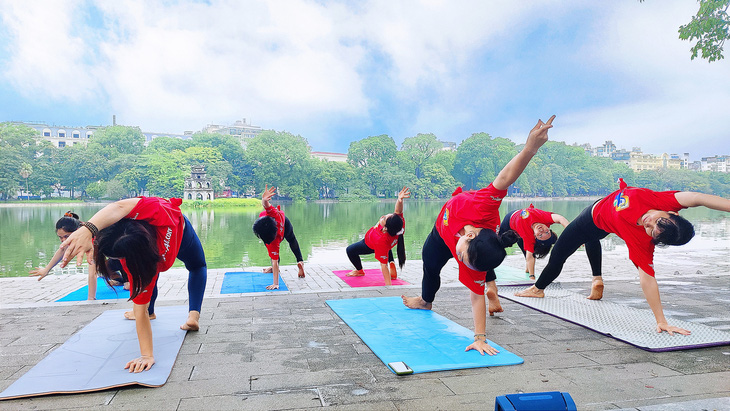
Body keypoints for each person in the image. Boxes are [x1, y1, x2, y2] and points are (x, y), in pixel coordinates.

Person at [402, 115, 555, 355]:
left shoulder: (473, 261)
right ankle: (425, 301)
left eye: (462, 260)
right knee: (429, 264)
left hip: (472, 246)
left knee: (478, 276)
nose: (459, 259)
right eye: (461, 257)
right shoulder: (484, 207)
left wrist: (480, 338)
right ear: (470, 237)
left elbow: (475, 297)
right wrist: (530, 148)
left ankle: (484, 287)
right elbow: (506, 178)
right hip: (441, 234)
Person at [515, 178, 730, 336]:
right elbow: (698, 198)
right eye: (658, 221)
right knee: (591, 240)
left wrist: (661, 321)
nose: (649, 223)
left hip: (590, 219)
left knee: (558, 255)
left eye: (653, 231)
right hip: (600, 222)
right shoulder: (664, 201)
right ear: (673, 213)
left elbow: (648, 279)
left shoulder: (642, 242)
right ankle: (596, 279)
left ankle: (538, 289)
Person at [59, 197, 207, 373]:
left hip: (178, 237)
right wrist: (88, 229)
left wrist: (147, 355)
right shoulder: (154, 211)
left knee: (184, 271)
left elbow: (139, 312)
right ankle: (193, 316)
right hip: (178, 230)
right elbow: (119, 206)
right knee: (197, 266)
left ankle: (158, 312)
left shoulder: (141, 267)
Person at [29, 211, 127, 300]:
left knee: (128, 287)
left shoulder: (91, 238)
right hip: (115, 258)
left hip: (126, 255)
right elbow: (62, 250)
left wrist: (91, 298)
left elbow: (92, 273)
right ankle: (121, 279)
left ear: (77, 231)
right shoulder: (80, 231)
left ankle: (131, 279)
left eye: (66, 236)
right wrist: (46, 269)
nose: (63, 240)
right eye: (60, 237)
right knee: (102, 268)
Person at [346, 187, 410, 285]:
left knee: (350, 250)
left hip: (370, 245)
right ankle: (391, 260)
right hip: (388, 243)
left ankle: (359, 271)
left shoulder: (381, 239)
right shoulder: (398, 224)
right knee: (386, 247)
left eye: (384, 218)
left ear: (385, 229)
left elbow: (383, 266)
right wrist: (400, 200)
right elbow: (398, 211)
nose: (383, 216)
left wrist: (389, 286)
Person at [252, 185, 306, 290]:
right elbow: (266, 205)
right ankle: (300, 262)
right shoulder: (273, 214)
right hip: (284, 222)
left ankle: (276, 269)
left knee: (273, 254)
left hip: (282, 226)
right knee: (292, 240)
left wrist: (276, 284)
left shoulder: (273, 241)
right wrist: (264, 199)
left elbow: (275, 261)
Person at [498, 205, 569, 280]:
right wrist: (573, 234)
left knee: (520, 245)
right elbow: (561, 219)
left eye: (540, 235)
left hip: (511, 225)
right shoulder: (544, 218)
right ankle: (527, 268)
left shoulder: (529, 236)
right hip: (512, 216)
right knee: (499, 243)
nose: (542, 230)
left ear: (535, 236)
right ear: (548, 227)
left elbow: (530, 256)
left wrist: (532, 277)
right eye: (547, 232)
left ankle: (528, 269)